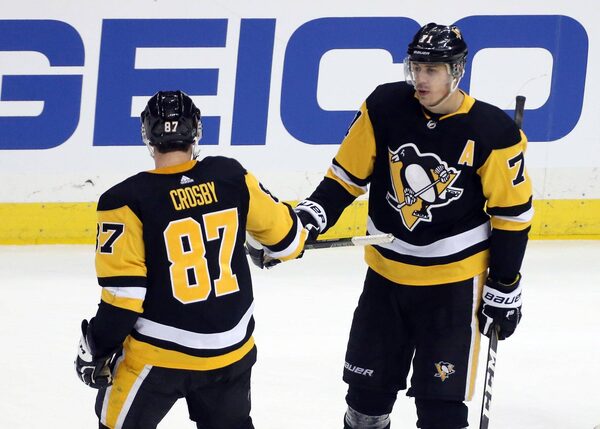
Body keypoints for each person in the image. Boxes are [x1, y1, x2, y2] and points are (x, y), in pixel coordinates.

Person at [293, 23, 533, 429]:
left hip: (453, 289)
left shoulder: (493, 131)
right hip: (386, 280)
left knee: (440, 411)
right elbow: (345, 177)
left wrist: (504, 283)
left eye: (432, 70)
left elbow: (512, 215)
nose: (420, 78)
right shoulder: (384, 106)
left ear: (457, 71)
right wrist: (309, 217)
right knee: (365, 406)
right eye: (416, 67)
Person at [74, 90, 307, 429]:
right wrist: (263, 243)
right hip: (230, 352)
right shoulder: (231, 176)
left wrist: (96, 345)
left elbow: (124, 299)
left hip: (158, 357)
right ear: (196, 131)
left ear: (147, 135)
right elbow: (289, 243)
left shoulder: (123, 200)